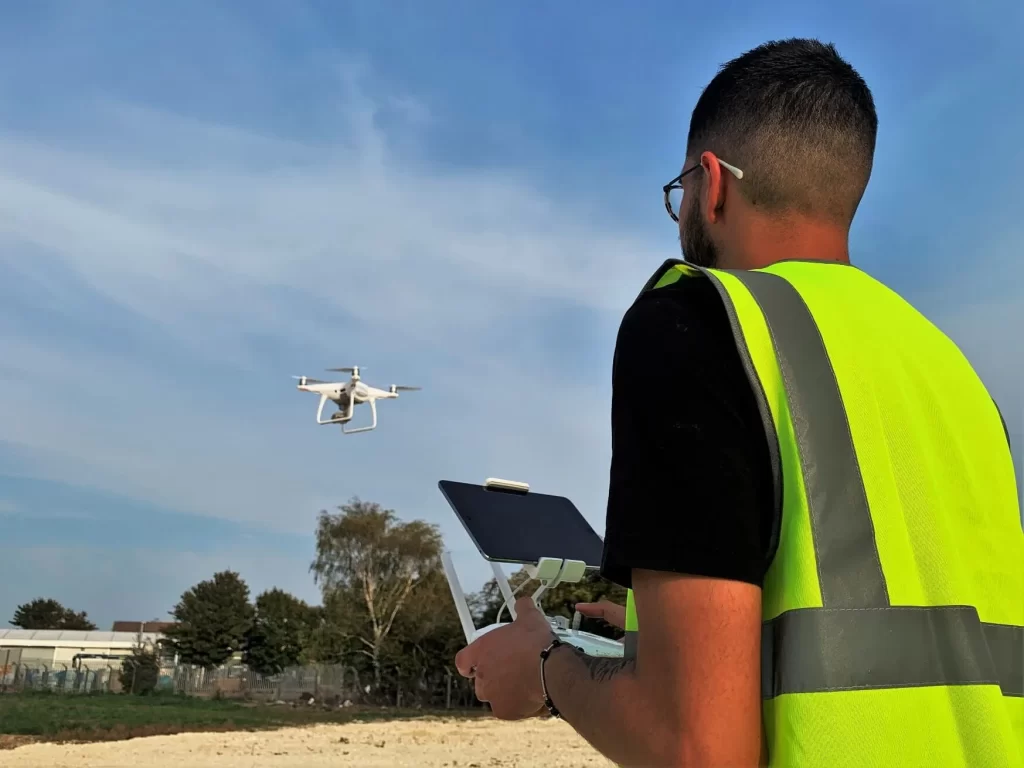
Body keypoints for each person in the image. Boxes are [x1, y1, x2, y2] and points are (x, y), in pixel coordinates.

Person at [454, 37, 1023, 767]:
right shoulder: (954, 373)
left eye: (681, 189)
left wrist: (544, 669)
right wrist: (643, 625)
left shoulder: (698, 321)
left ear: (711, 183)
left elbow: (699, 750)